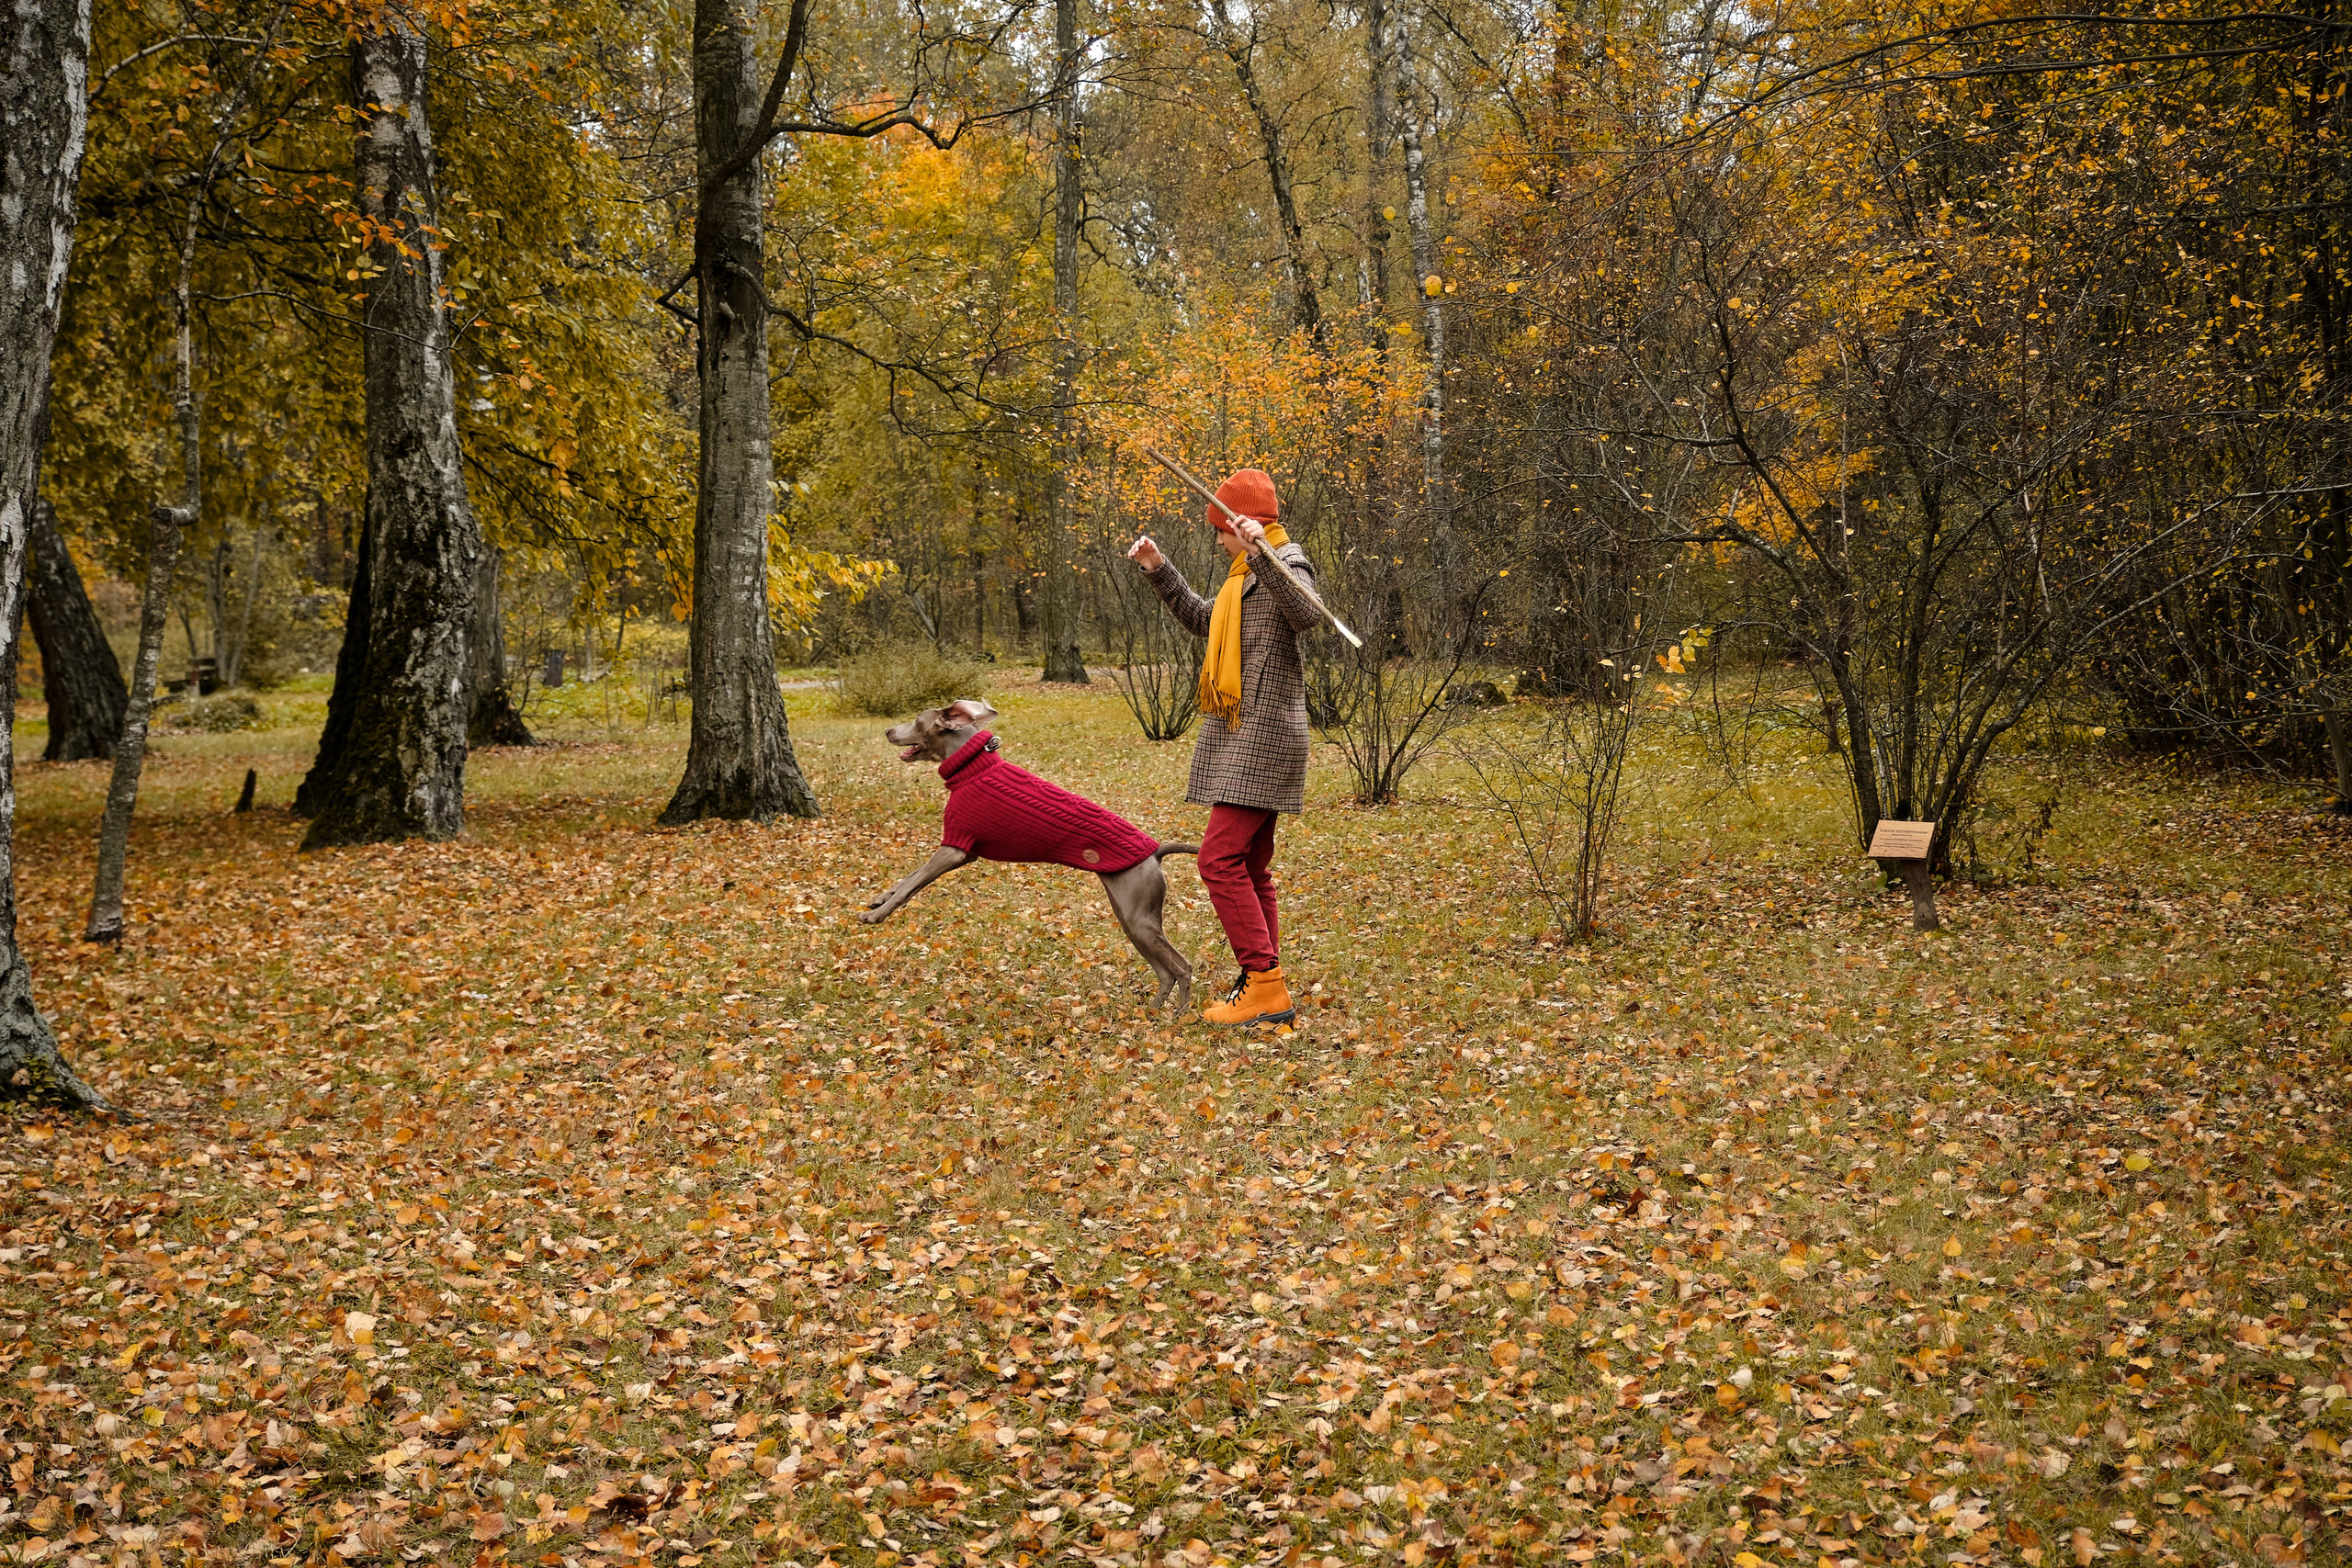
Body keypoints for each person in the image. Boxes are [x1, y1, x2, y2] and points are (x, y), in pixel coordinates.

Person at [1125, 468, 1323, 1027]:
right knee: (1252, 866)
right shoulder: (1242, 581)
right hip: (1245, 737)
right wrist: (1159, 572)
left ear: (1246, 525)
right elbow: (1204, 620)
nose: (1216, 540)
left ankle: (1265, 983)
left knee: (1217, 860)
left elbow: (1307, 612)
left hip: (1266, 739)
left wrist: (1264, 554)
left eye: (1221, 529)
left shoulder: (1285, 563)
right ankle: (1264, 982)